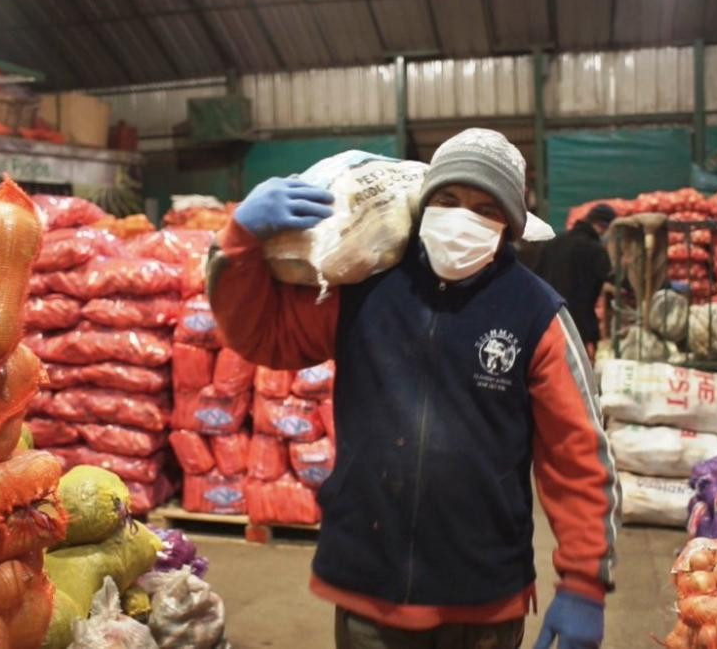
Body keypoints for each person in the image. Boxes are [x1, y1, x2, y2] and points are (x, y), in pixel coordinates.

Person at [207, 129, 619, 649]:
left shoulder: (536, 314)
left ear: (509, 227)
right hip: (368, 585)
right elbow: (263, 335)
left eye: (484, 207)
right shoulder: (365, 289)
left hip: (482, 599)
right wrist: (240, 239)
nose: (462, 216)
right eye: (447, 200)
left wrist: (585, 583)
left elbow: (577, 452)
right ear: (423, 206)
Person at [533, 205, 616, 357]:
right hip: (578, 327)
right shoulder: (596, 250)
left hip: (547, 323)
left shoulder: (553, 243)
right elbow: (614, 279)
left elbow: (535, 279)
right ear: (602, 227)